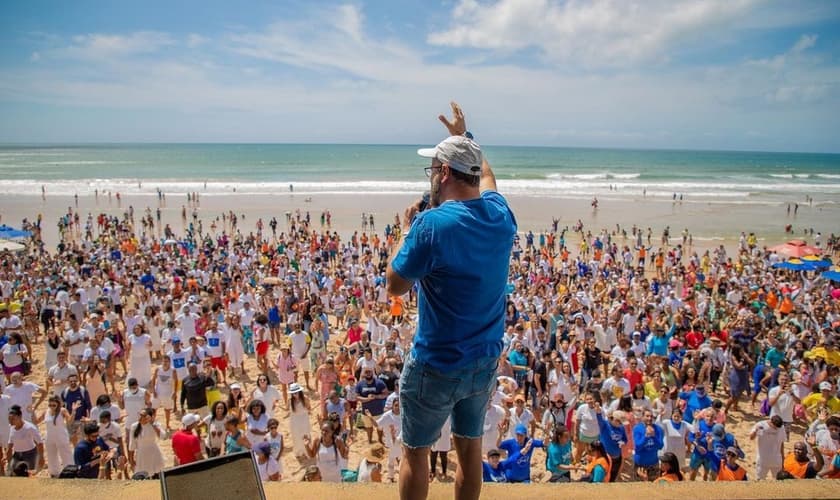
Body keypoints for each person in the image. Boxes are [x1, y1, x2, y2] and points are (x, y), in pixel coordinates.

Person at [387, 102, 516, 500]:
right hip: (483, 361)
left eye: (433, 170)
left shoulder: (431, 224)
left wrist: (404, 229)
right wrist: (466, 136)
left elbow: (395, 284)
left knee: (416, 454)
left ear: (443, 173)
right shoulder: (499, 213)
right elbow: (489, 175)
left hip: (436, 364)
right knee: (469, 451)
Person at [6, 404, 45, 474]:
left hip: (30, 455)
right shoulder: (12, 428)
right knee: (13, 474)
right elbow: (10, 445)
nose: (10, 421)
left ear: (20, 417)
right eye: (9, 419)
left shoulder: (30, 427)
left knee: (29, 475)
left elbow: (40, 443)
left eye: (13, 419)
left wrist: (41, 457)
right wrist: (9, 461)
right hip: (17, 455)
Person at [43, 395, 74, 477]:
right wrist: (31, 412)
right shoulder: (46, 411)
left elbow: (69, 422)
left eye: (54, 405)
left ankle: (70, 472)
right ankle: (54, 473)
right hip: (49, 436)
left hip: (61, 435)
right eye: (50, 405)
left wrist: (74, 412)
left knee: (66, 454)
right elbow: (36, 421)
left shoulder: (62, 410)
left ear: (58, 404)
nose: (52, 407)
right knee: (51, 455)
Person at [128, 407, 165, 476]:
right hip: (141, 455)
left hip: (154, 453)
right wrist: (131, 459)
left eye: (143, 416)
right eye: (140, 415)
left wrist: (153, 423)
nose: (140, 417)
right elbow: (132, 444)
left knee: (156, 474)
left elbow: (162, 436)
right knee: (143, 475)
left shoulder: (155, 424)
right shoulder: (134, 426)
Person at [750, 414, 786, 480]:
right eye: (775, 427)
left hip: (776, 460)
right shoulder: (760, 425)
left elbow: (781, 443)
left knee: (779, 480)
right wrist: (755, 431)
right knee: (760, 480)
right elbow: (751, 438)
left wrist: (783, 458)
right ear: (771, 422)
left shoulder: (781, 427)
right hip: (762, 460)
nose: (776, 429)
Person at [632, 409, 664, 481]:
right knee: (639, 488)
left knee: (653, 487)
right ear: (642, 417)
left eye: (651, 416)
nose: (649, 418)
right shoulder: (637, 428)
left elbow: (660, 446)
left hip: (653, 465)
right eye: (647, 416)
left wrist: (653, 436)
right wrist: (646, 436)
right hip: (640, 465)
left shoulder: (658, 429)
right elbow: (637, 447)